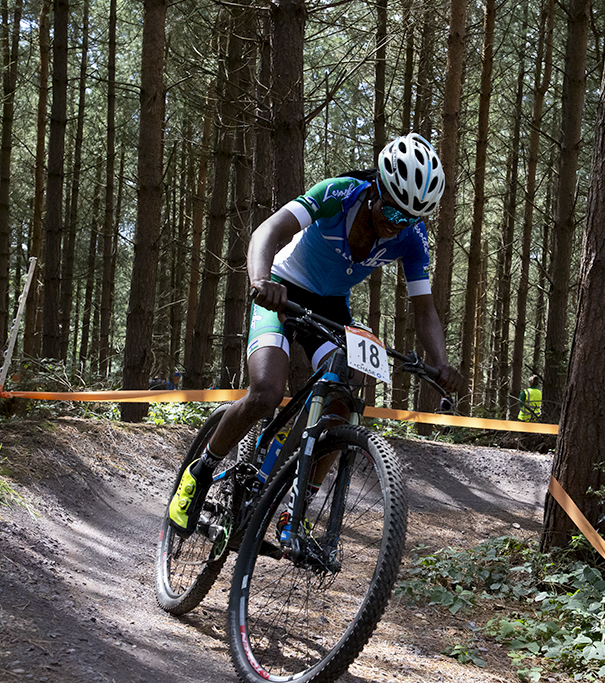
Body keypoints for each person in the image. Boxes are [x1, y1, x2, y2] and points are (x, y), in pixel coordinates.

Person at [169, 133, 462, 536]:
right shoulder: (339, 194)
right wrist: (261, 280)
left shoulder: (411, 237)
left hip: (330, 305)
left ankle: (298, 506)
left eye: (411, 220)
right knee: (266, 392)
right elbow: (267, 231)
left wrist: (440, 363)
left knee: (346, 390)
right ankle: (198, 474)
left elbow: (424, 309)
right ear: (377, 188)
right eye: (394, 215)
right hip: (282, 289)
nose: (398, 228)